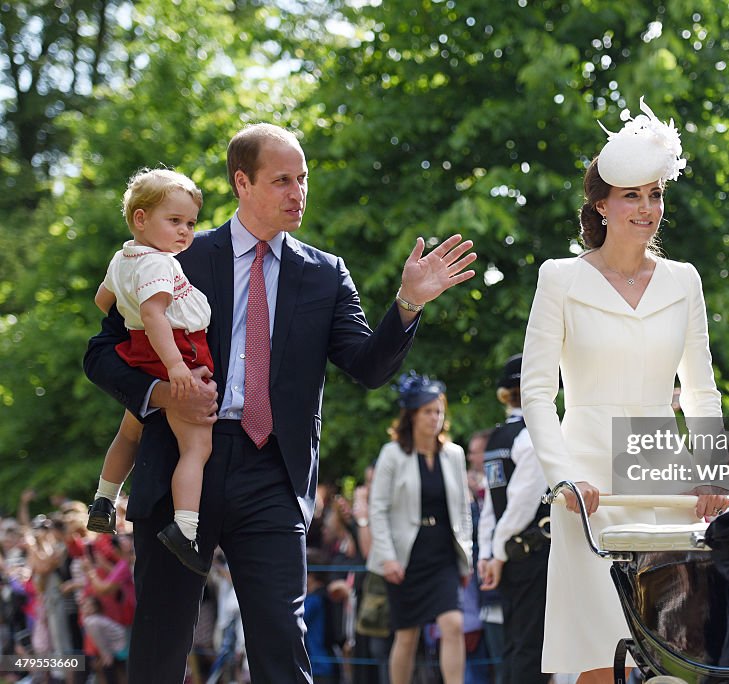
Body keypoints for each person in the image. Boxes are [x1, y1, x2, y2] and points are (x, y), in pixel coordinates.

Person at [83, 122, 476, 684]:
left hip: (274, 472)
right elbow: (101, 353)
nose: (299, 193)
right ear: (242, 183)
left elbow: (368, 368)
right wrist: (163, 393)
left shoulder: (324, 274)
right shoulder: (180, 256)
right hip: (179, 465)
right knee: (160, 646)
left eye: (304, 179)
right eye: (283, 180)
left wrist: (408, 304)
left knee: (282, 648)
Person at [520, 97, 727, 682]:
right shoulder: (559, 278)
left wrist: (712, 469)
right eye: (632, 194)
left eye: (655, 193)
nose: (646, 207)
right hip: (586, 480)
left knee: (678, 652)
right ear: (601, 204)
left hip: (664, 473)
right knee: (595, 655)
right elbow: (536, 391)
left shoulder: (685, 281)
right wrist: (562, 476)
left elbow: (703, 392)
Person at [86, 168, 213, 577]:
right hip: (176, 353)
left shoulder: (124, 257)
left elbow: (101, 299)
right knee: (196, 445)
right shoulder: (159, 263)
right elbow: (153, 313)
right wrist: (176, 366)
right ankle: (186, 528)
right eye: (174, 221)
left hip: (139, 353)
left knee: (130, 431)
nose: (185, 232)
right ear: (141, 219)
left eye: (190, 223)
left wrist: (130, 314)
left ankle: (105, 498)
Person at [366, 372, 473, 684]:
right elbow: (378, 508)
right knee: (407, 634)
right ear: (411, 415)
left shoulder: (454, 454)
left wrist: (465, 556)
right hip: (404, 556)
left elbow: (463, 511)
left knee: (453, 624)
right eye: (428, 411)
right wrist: (387, 557)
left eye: (439, 411)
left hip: (443, 553)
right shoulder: (392, 453)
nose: (435, 417)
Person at [478, 354, 550, 684]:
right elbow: (521, 502)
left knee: (511, 642)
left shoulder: (494, 440)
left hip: (505, 557)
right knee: (531, 647)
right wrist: (499, 552)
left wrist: (489, 554)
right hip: (530, 553)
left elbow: (491, 506)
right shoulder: (534, 435)